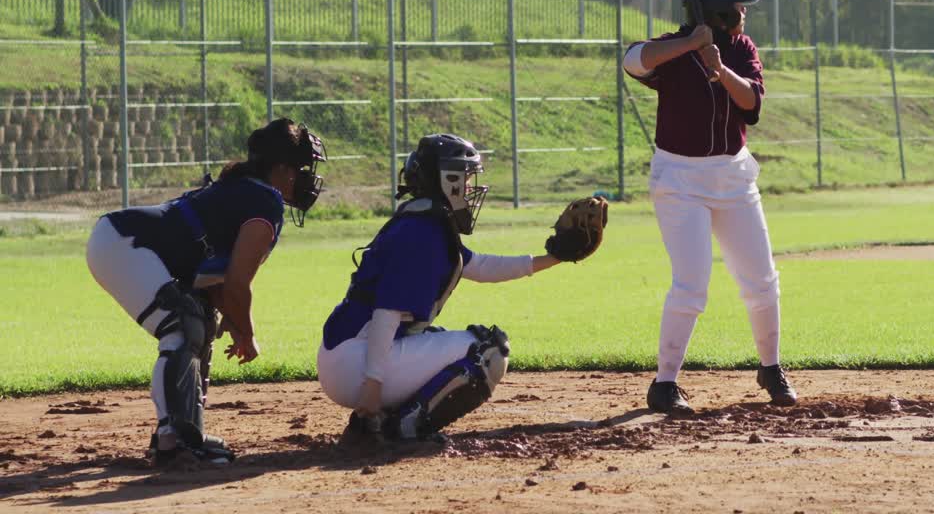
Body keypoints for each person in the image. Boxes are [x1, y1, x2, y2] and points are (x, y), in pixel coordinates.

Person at [317, 134, 606, 443]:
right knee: (488, 350)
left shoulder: (424, 222)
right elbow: (385, 315)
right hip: (355, 363)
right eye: (465, 178)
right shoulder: (422, 232)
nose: (470, 188)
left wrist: (553, 259)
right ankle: (402, 427)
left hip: (348, 355)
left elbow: (480, 267)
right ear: (447, 180)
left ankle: (378, 422)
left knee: (443, 342)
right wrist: (371, 389)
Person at [86, 117, 327, 466]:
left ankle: (185, 431)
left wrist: (231, 317)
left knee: (199, 317)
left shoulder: (246, 189)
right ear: (280, 168)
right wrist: (247, 332)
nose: (304, 177)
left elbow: (218, 284)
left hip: (121, 241)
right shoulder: (266, 202)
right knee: (182, 325)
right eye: (301, 168)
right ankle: (174, 441)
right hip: (125, 244)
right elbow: (237, 284)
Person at [622, 0, 796, 414]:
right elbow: (631, 60)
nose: (744, 13)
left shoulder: (740, 49)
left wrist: (719, 68)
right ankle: (664, 384)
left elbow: (752, 104)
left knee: (761, 280)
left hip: (733, 177)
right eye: (737, 7)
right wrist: (689, 45)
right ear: (717, 13)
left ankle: (771, 367)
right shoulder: (674, 50)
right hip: (679, 180)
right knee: (692, 283)